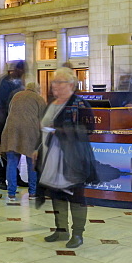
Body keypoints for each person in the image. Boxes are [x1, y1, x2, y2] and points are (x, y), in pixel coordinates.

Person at [35, 67, 98, 249]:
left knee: (76, 195)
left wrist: (60, 131)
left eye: (59, 82)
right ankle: (61, 230)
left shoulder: (79, 104)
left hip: (74, 156)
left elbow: (89, 129)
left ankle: (78, 233)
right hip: (53, 156)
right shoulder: (53, 104)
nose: (54, 85)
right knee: (57, 193)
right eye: (54, 81)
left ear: (70, 84)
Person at [0, 82, 47, 204]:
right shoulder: (39, 99)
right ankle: (32, 192)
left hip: (11, 131)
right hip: (30, 132)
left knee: (12, 162)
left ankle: (11, 194)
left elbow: (10, 110)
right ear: (37, 90)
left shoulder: (17, 95)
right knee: (31, 163)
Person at [0, 61, 26, 190]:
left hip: (15, 121)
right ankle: (0, 178)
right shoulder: (5, 81)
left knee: (16, 150)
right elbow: (4, 102)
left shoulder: (19, 82)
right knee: (4, 150)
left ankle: (15, 177)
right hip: (4, 121)